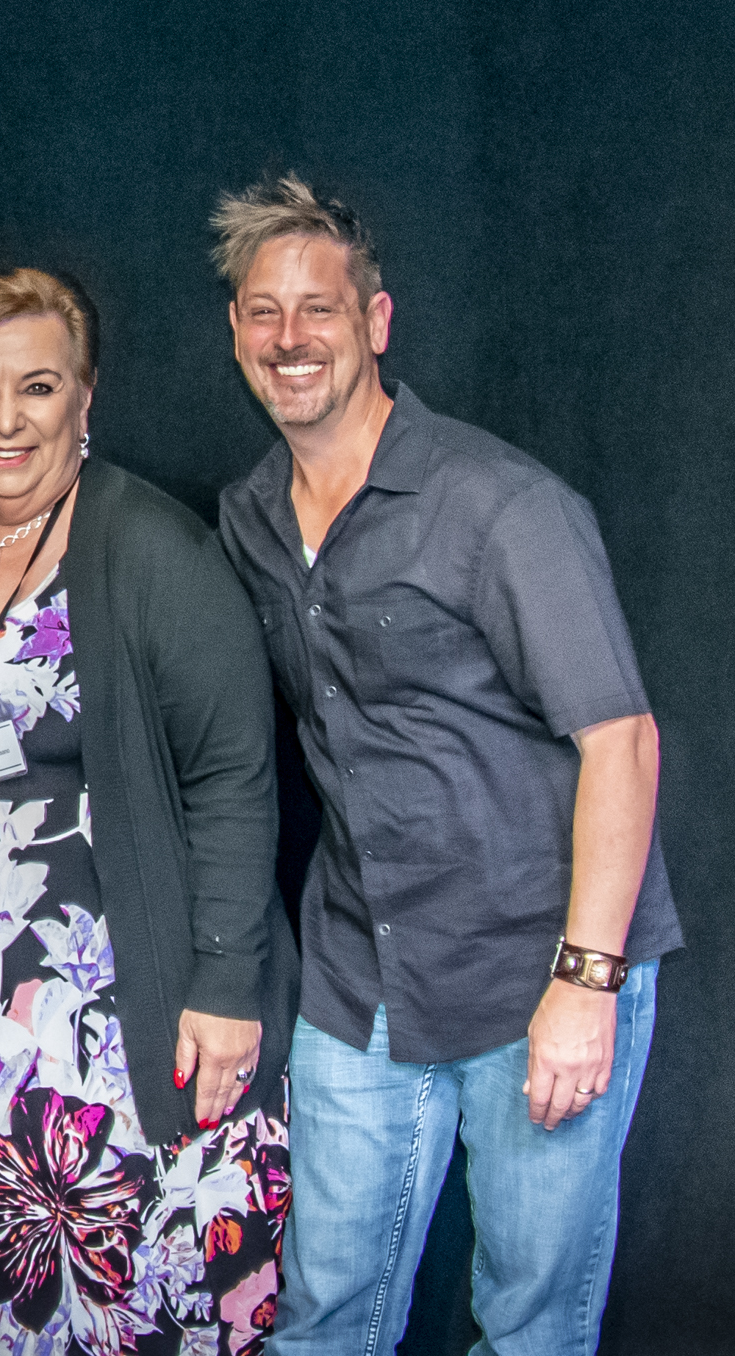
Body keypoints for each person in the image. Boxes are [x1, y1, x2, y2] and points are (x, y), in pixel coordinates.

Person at [209, 174, 680, 1356]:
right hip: (361, 975)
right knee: (323, 1320)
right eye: (262, 313)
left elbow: (619, 739)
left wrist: (585, 985)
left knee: (527, 1325)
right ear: (233, 334)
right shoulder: (250, 517)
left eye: (317, 309)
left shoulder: (497, 505)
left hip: (538, 969)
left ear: (374, 322)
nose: (288, 338)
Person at [0, 268, 296, 1355]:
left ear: (84, 398)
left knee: (119, 1306)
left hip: (112, 1021)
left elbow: (233, 777)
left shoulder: (152, 547)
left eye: (37, 387)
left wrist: (224, 984)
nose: (4, 420)